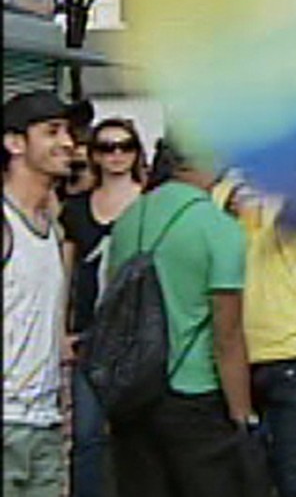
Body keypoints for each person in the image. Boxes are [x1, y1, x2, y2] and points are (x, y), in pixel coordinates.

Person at [105, 139, 263, 497]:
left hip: (134, 390)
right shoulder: (217, 227)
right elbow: (228, 336)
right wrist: (243, 414)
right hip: (194, 389)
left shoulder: (131, 217)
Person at [214, 176, 296, 497]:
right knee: (240, 476)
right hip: (233, 356)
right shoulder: (220, 194)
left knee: (294, 477)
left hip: (294, 353)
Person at [59, 118, 146, 497]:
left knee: (138, 436)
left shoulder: (150, 203)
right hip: (88, 333)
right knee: (87, 437)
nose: (116, 155)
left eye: (124, 146)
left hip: (141, 336)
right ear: (93, 155)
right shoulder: (76, 209)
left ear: (136, 152)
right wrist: (60, 331)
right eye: (106, 147)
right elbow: (64, 276)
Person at [3, 91, 74, 497]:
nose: (68, 142)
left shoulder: (52, 226)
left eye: (68, 131)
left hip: (44, 423)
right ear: (14, 144)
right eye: (52, 132)